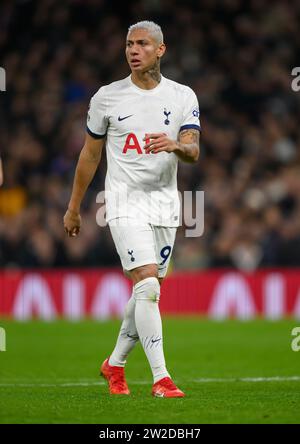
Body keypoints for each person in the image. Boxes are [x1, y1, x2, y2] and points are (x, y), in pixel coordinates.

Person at [63, 20, 201, 398]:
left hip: (165, 205)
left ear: (161, 50)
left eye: (142, 44)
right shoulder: (107, 97)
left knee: (149, 291)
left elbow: (193, 150)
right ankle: (161, 379)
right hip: (122, 203)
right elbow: (89, 155)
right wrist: (73, 208)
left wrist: (174, 145)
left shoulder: (182, 96)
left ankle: (115, 365)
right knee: (147, 286)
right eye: (128, 44)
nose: (133, 50)